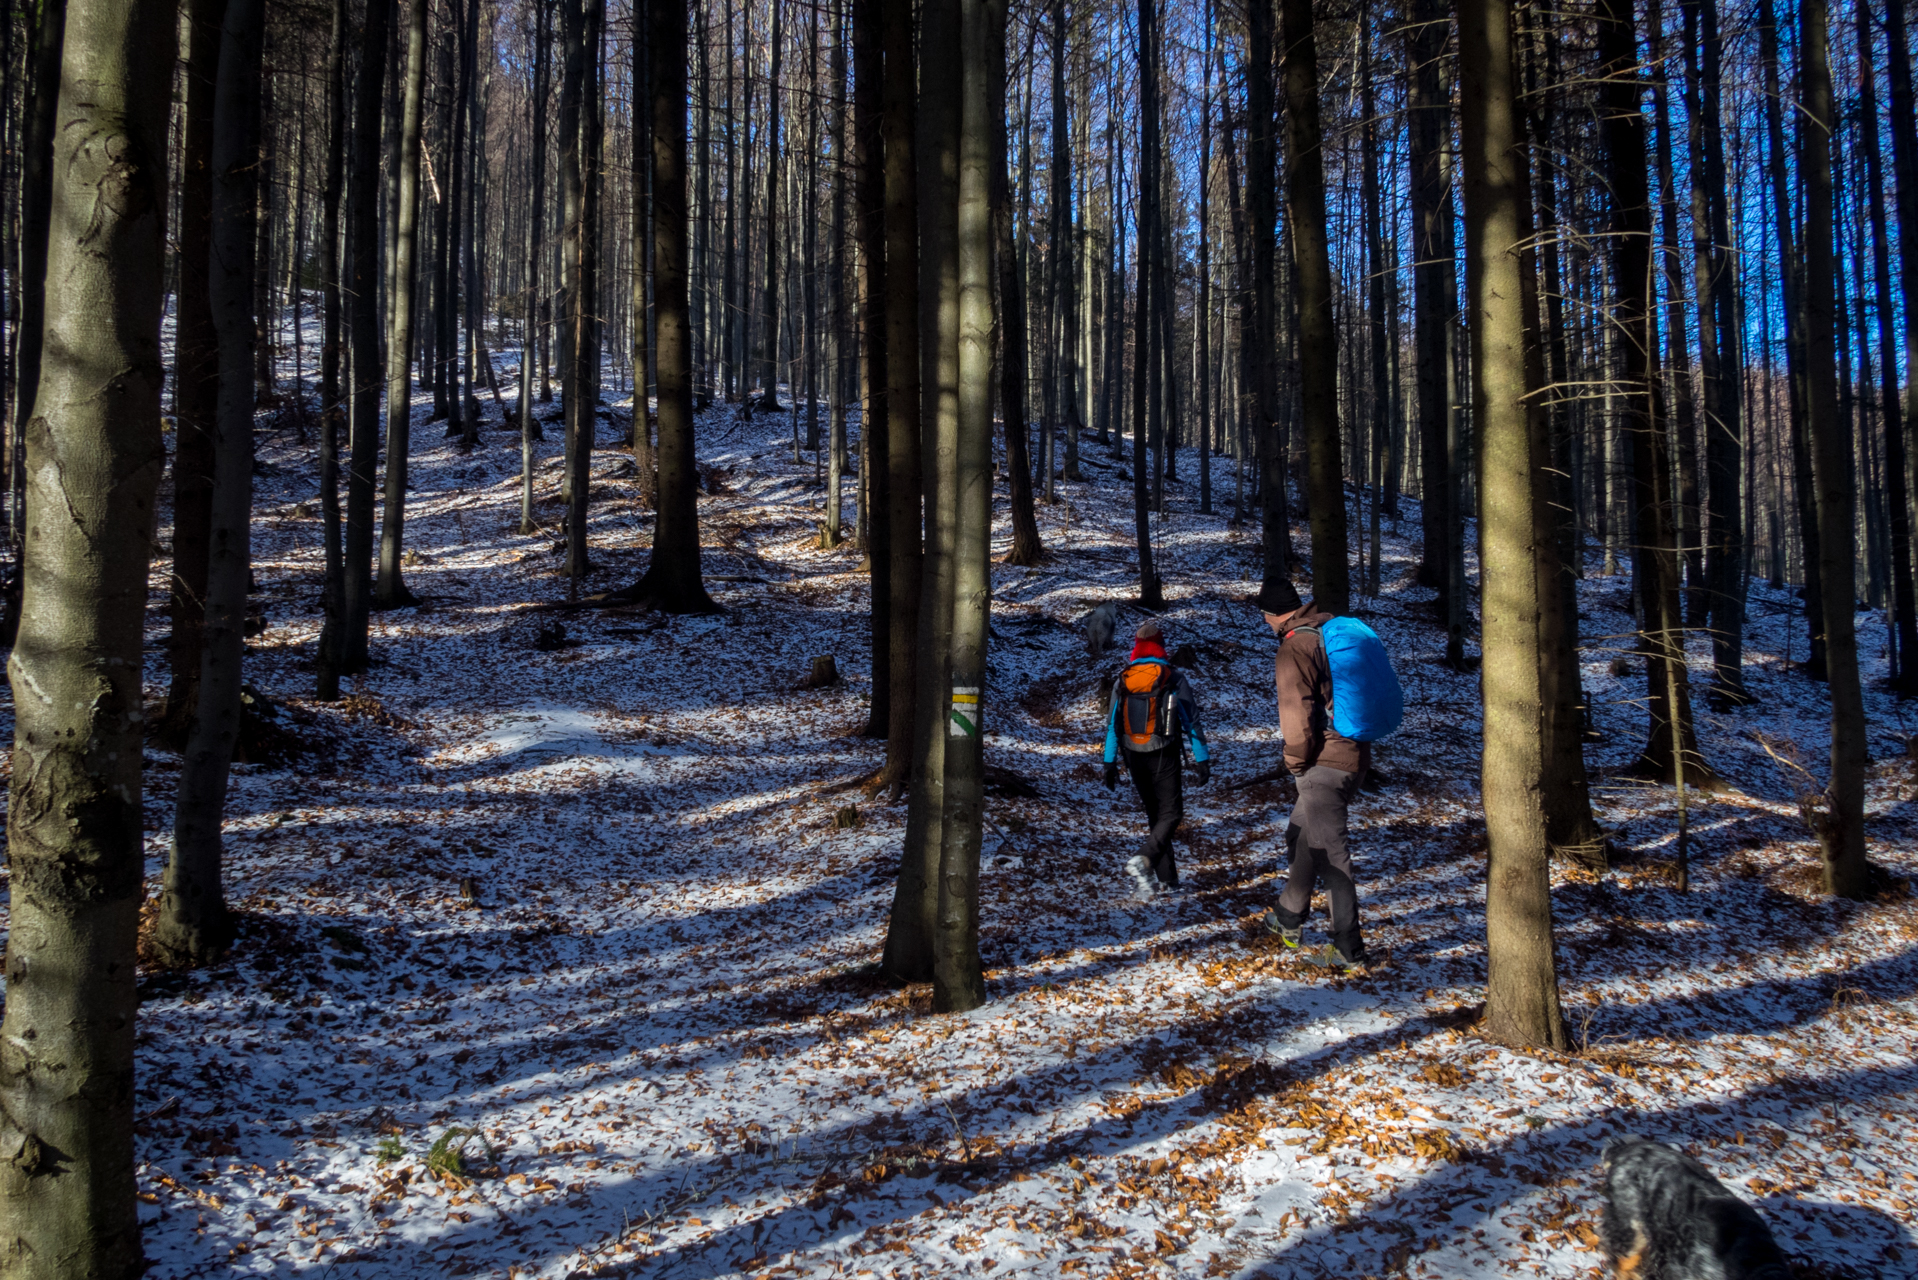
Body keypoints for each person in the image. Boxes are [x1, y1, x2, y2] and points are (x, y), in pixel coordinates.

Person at [1255, 579, 1372, 969]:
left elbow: (1297, 713)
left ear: (1273, 614)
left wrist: (1295, 760)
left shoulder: (1294, 647)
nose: (1267, 624)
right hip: (1353, 753)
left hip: (1325, 763)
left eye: (1265, 617)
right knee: (1300, 833)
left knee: (1331, 852)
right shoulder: (1326, 631)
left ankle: (1348, 948)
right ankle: (1288, 916)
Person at [1102, 619, 1210, 899]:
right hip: (1164, 752)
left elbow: (1113, 723)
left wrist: (1109, 763)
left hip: (1132, 755)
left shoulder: (1123, 677)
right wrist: (1202, 759)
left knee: (1156, 815)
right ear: (1162, 645)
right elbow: (1191, 720)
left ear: (1136, 647)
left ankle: (1168, 880)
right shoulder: (1172, 677)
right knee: (1171, 813)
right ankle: (1145, 859)